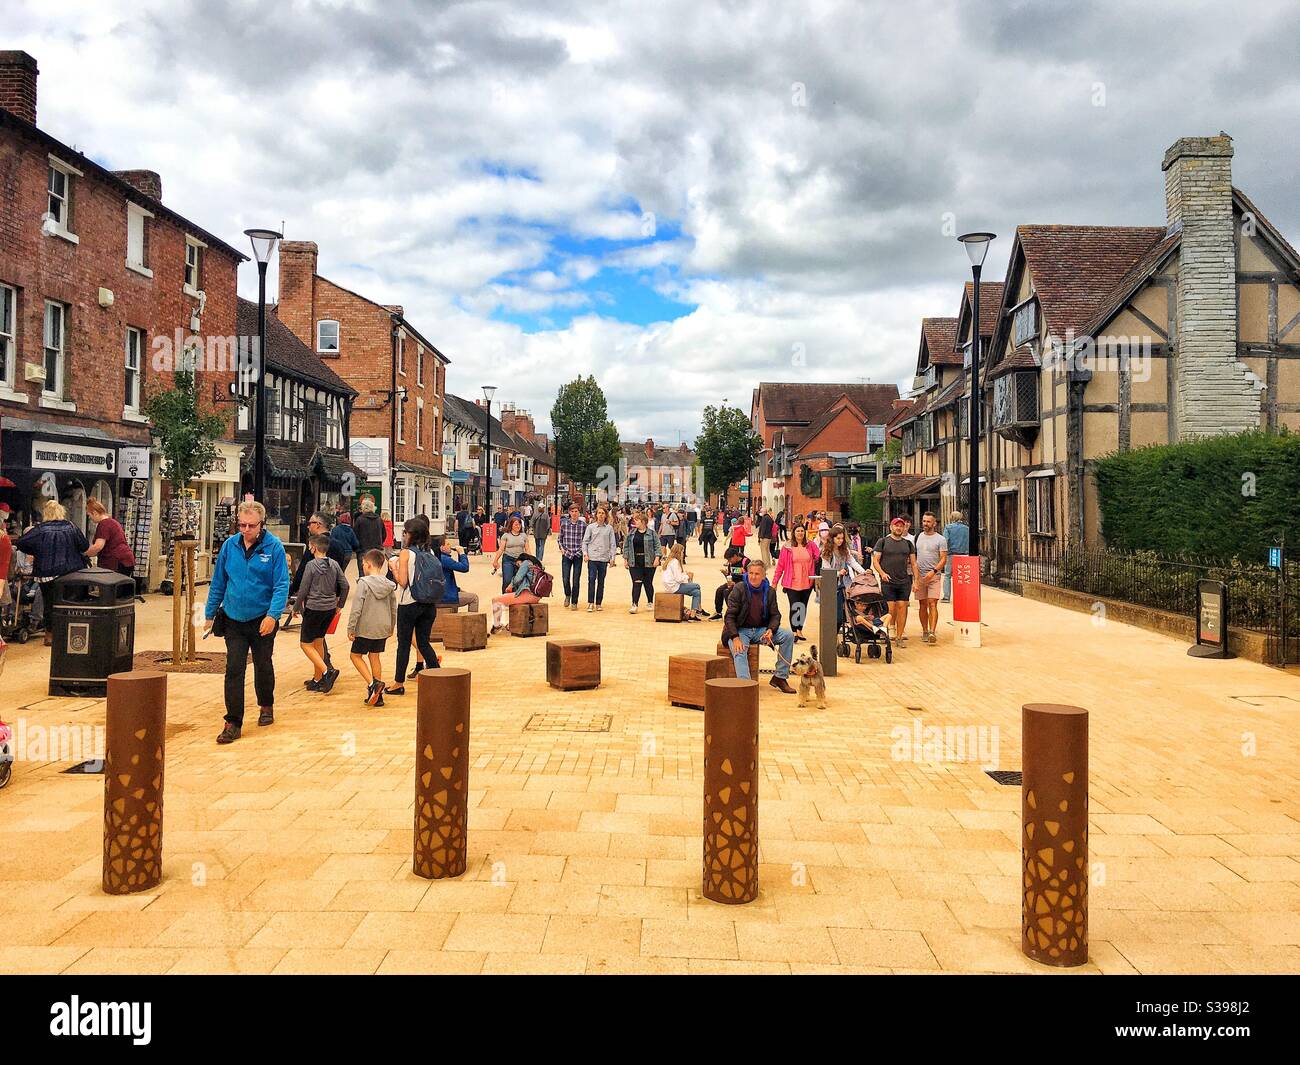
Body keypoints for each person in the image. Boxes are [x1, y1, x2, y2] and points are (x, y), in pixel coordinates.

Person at [204, 501, 290, 744]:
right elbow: (218, 581)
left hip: (262, 618)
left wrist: (273, 616)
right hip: (233, 618)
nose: (245, 529)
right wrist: (209, 614)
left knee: (263, 665)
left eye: (251, 525)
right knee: (234, 669)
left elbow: (281, 584)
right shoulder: (230, 546)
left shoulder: (274, 548)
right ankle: (233, 722)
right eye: (241, 525)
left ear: (261, 524)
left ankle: (266, 705)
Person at [17, 499, 90, 645]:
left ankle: (49, 635)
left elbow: (21, 543)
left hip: (46, 573)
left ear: (46, 513)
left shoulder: (40, 529)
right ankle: (69, 633)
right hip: (71, 573)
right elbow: (84, 545)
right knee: (70, 604)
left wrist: (37, 551)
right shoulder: (71, 527)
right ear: (61, 511)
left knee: (49, 603)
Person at [722, 559, 796, 693]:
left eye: (757, 574)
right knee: (740, 651)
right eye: (750, 573)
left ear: (763, 576)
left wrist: (771, 630)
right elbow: (729, 617)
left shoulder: (770, 591)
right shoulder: (739, 588)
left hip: (760, 630)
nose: (753, 577)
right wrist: (735, 637)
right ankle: (746, 687)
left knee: (788, 636)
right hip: (740, 630)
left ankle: (780, 677)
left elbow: (775, 615)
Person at [389, 518, 442, 696]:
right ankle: (438, 676)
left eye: (405, 532)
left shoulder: (405, 554)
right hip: (428, 603)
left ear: (411, 535)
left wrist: (393, 568)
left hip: (409, 603)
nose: (403, 535)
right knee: (424, 642)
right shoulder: (431, 552)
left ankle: (398, 683)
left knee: (403, 644)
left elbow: (403, 582)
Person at [295, 533, 349, 693]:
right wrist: (340, 604)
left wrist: (296, 607)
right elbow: (345, 585)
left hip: (313, 608)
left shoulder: (311, 566)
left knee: (305, 644)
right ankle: (317, 679)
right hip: (329, 608)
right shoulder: (334, 564)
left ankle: (327, 671)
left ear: (314, 547)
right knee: (318, 641)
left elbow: (303, 589)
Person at [348, 548, 398, 707]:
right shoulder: (389, 585)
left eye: (363, 564)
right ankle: (378, 695)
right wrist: (391, 626)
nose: (362, 567)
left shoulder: (363, 583)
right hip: (382, 626)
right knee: (374, 657)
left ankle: (372, 684)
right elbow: (393, 607)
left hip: (366, 626)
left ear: (369, 565)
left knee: (355, 656)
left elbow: (357, 607)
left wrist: (351, 628)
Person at [873, 517, 921, 645]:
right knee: (890, 609)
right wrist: (882, 573)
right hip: (888, 580)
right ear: (891, 527)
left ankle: (899, 637)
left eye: (901, 526)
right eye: (896, 525)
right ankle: (886, 633)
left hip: (904, 580)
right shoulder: (883, 542)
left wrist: (916, 581)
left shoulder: (908, 544)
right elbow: (875, 560)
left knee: (902, 608)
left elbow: (914, 563)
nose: (899, 528)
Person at [771, 522, 819, 641]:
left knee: (803, 607)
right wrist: (775, 582)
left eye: (802, 531)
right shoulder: (787, 547)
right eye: (798, 531)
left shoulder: (811, 545)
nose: (800, 533)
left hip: (807, 582)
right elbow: (780, 566)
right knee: (795, 606)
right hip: (792, 582)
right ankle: (793, 631)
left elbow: (819, 557)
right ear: (793, 533)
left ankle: (800, 630)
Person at [914, 511, 948, 645]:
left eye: (928, 521)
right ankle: (925, 630)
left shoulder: (940, 539)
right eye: (924, 521)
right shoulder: (918, 537)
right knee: (922, 604)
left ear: (934, 523)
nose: (925, 524)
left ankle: (933, 631)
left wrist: (934, 571)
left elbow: (943, 559)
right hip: (920, 576)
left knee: (932, 602)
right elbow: (914, 555)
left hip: (934, 575)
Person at [489, 552, 542, 633]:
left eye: (518, 564)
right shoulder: (537, 565)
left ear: (521, 560)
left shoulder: (526, 563)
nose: (518, 566)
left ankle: (497, 625)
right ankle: (511, 624)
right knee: (511, 601)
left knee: (496, 600)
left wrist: (510, 586)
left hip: (528, 595)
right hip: (536, 595)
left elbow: (518, 579)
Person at [84, 497, 136, 579]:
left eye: (89, 515)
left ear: (95, 513)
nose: (90, 519)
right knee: (122, 589)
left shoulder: (104, 524)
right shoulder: (112, 522)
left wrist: (85, 554)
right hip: (126, 560)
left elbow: (98, 546)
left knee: (112, 590)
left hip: (116, 562)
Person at [620, 511, 661, 614]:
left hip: (649, 562)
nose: (635, 522)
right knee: (636, 582)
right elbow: (626, 546)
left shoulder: (652, 533)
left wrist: (657, 558)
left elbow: (657, 546)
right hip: (635, 561)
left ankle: (650, 602)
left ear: (643, 522)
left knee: (648, 583)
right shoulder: (632, 533)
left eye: (637, 520)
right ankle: (634, 604)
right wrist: (625, 559)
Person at [581, 504, 617, 611]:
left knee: (601, 581)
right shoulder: (590, 527)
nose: (601, 515)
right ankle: (590, 602)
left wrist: (612, 557)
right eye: (599, 513)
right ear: (596, 515)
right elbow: (585, 542)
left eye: (602, 513)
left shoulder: (609, 529)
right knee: (591, 579)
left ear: (606, 515)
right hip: (592, 557)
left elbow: (613, 544)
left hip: (603, 558)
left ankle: (598, 603)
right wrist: (585, 554)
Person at [661, 543, 705, 619]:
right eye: (682, 552)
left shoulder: (669, 561)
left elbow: (676, 577)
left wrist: (685, 575)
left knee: (697, 592)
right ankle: (698, 610)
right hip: (674, 587)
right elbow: (678, 579)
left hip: (669, 586)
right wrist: (688, 576)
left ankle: (693, 614)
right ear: (679, 552)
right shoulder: (675, 562)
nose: (683, 554)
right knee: (697, 586)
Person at [554, 502, 585, 610]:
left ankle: (574, 601)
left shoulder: (583, 525)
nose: (574, 513)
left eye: (576, 511)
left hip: (578, 554)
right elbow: (560, 538)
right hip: (566, 554)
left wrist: (582, 551)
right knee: (565, 578)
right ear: (569, 513)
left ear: (579, 512)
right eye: (572, 511)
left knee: (576, 579)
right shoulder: (564, 524)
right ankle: (568, 594)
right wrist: (561, 548)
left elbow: (585, 540)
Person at [437, 536, 478, 614]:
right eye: (448, 544)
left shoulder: (438, 557)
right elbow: (464, 568)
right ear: (442, 548)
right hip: (444, 598)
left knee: (461, 594)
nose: (450, 546)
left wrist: (457, 589)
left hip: (439, 595)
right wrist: (462, 553)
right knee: (474, 598)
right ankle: (472, 624)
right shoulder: (444, 559)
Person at [492, 515, 529, 593]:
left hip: (520, 560)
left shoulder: (524, 536)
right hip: (508, 560)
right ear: (511, 525)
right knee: (507, 580)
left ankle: (515, 600)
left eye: (519, 524)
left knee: (518, 580)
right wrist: (495, 560)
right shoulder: (506, 536)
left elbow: (527, 549)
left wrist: (531, 560)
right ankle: (505, 599)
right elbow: (501, 549)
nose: (517, 526)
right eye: (515, 524)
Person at [352, 496, 386, 575]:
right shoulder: (379, 519)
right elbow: (384, 534)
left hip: (363, 550)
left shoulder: (360, 520)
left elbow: (355, 535)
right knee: (375, 573)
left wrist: (356, 548)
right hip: (377, 549)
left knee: (363, 573)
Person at [941, 510, 969, 603]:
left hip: (951, 554)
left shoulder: (948, 528)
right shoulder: (966, 528)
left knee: (948, 575)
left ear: (952, 518)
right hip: (964, 554)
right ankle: (962, 596)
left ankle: (946, 597)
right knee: (962, 576)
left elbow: (945, 540)